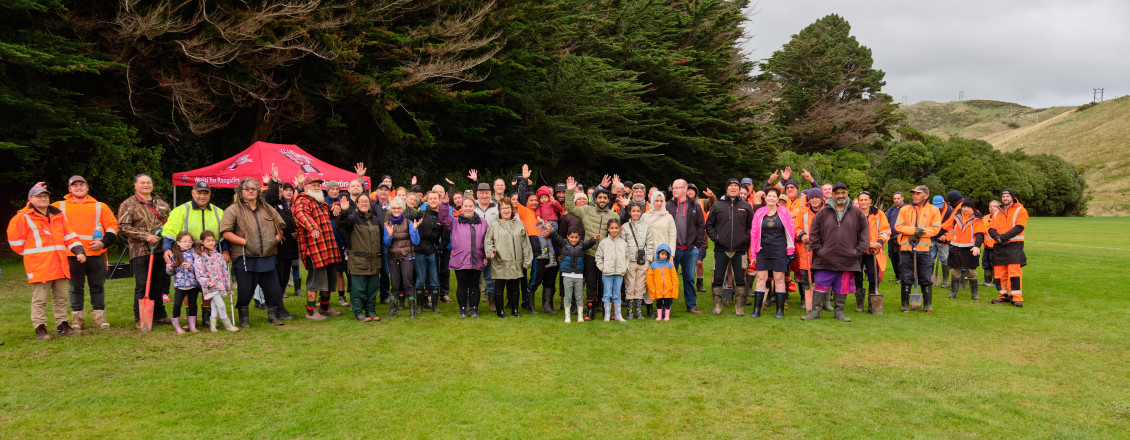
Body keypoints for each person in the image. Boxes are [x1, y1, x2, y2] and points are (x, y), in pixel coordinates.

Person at [8, 184, 86, 340]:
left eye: (45, 196)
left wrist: (79, 251)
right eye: (39, 196)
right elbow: (15, 243)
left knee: (62, 298)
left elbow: (69, 236)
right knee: (40, 300)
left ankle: (62, 326)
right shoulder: (22, 218)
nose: (43, 199)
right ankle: (40, 329)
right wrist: (34, 256)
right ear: (30, 199)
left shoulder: (58, 215)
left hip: (60, 264)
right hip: (39, 267)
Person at [220, 177, 288, 327]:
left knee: (273, 290)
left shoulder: (267, 208)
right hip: (245, 257)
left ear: (258, 191)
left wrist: (275, 239)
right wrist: (244, 242)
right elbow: (225, 232)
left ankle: (273, 316)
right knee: (245, 291)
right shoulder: (233, 209)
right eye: (247, 189)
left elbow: (280, 227)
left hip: (268, 257)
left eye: (253, 189)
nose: (251, 191)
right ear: (241, 191)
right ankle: (244, 320)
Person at [52, 175, 118, 330]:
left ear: (87, 188)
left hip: (97, 254)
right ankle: (77, 320)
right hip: (72, 255)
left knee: (98, 287)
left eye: (82, 184)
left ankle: (99, 319)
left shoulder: (100, 206)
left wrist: (103, 242)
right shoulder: (58, 206)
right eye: (75, 185)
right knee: (75, 287)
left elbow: (113, 226)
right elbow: (38, 210)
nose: (79, 187)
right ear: (69, 189)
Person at [802, 183, 869, 322]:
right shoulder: (823, 212)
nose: (840, 195)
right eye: (837, 193)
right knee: (820, 285)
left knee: (842, 287)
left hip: (848, 259)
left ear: (847, 193)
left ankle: (839, 312)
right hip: (824, 259)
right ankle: (815, 311)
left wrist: (857, 252)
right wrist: (819, 250)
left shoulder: (857, 213)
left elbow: (864, 235)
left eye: (843, 192)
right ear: (832, 195)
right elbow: (814, 233)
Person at [118, 173, 173, 331]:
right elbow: (123, 226)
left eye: (148, 182)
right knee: (142, 285)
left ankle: (159, 315)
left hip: (160, 250)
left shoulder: (162, 204)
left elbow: (170, 224)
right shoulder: (129, 204)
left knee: (159, 284)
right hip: (140, 250)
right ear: (135, 185)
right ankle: (140, 318)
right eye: (142, 183)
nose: (146, 185)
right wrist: (145, 236)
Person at [292, 173, 344, 320]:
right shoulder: (303, 200)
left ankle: (325, 308)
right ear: (306, 187)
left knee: (328, 278)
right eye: (313, 185)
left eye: (318, 185)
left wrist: (337, 207)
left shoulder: (320, 202)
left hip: (327, 249)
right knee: (315, 281)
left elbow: (331, 211)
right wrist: (312, 227)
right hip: (314, 249)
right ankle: (310, 311)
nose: (316, 187)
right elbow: (301, 214)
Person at [564, 176, 617, 321]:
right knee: (592, 283)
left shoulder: (613, 215)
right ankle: (591, 311)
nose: (602, 200)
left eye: (605, 198)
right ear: (595, 199)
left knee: (606, 284)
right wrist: (569, 192)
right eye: (599, 197)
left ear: (608, 200)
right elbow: (570, 207)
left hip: (607, 256)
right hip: (590, 254)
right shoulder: (587, 210)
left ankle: (606, 310)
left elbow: (617, 234)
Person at [705, 178, 754, 316]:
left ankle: (740, 307)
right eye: (730, 186)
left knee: (740, 278)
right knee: (718, 278)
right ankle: (717, 305)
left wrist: (746, 239)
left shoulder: (746, 206)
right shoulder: (718, 205)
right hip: (721, 249)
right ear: (726, 189)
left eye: (735, 186)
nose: (733, 188)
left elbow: (752, 226)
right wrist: (717, 239)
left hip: (740, 250)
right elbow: (709, 225)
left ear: (740, 190)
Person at [748, 187, 795, 319]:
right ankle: (757, 309)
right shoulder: (758, 213)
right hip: (762, 250)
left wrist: (790, 250)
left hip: (779, 250)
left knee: (779, 279)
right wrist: (753, 253)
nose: (771, 198)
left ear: (777, 198)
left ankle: (780, 310)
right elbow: (754, 234)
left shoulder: (784, 213)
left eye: (774, 196)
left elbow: (790, 232)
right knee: (761, 279)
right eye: (769, 196)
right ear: (765, 197)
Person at [439, 195, 490, 318]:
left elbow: (486, 240)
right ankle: (462, 309)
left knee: (474, 285)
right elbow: (443, 218)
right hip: (460, 258)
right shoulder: (455, 221)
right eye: (465, 206)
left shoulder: (482, 222)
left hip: (476, 258)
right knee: (462, 285)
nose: (468, 208)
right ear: (461, 207)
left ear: (474, 207)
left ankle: (474, 309)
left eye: (470, 206)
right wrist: (445, 205)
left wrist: (486, 256)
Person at [894, 185, 942, 313]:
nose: (914, 195)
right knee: (906, 277)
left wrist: (921, 233)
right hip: (906, 248)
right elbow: (898, 227)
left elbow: (936, 229)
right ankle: (905, 304)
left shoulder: (934, 210)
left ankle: (927, 305)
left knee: (925, 278)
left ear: (926, 196)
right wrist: (915, 231)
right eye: (913, 193)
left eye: (918, 193)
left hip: (924, 250)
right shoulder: (905, 209)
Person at [337, 195, 384, 321]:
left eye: (366, 201)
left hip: (374, 261)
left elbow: (380, 237)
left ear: (370, 204)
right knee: (358, 289)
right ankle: (358, 313)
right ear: (356, 204)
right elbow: (341, 225)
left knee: (372, 289)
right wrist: (344, 211)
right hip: (358, 261)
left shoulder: (375, 220)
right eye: (361, 201)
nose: (364, 203)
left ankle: (371, 311)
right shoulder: (352, 218)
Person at [484, 198, 533, 318]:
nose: (506, 210)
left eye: (508, 207)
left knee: (515, 286)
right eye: (503, 208)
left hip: (516, 261)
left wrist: (527, 260)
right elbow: (488, 241)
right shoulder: (495, 225)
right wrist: (490, 251)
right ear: (499, 210)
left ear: (512, 209)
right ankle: (500, 311)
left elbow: (526, 243)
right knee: (499, 286)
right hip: (500, 260)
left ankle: (515, 310)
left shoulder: (519, 224)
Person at [264, 165, 303, 303]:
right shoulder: (270, 202)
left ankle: (280, 307)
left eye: (282, 187)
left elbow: (292, 220)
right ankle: (276, 308)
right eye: (278, 187)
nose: (280, 189)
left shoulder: (284, 204)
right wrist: (273, 180)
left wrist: (297, 231)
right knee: (277, 280)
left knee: (284, 279)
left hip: (288, 249)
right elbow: (270, 197)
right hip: (278, 250)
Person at [666, 179, 706, 314]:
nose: (675, 190)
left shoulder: (695, 206)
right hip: (672, 249)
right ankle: (667, 306)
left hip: (690, 249)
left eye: (678, 187)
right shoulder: (668, 206)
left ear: (685, 189)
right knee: (671, 278)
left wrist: (697, 244)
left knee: (689, 278)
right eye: (673, 187)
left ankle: (691, 305)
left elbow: (701, 226)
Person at [191, 231, 240, 332]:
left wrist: (228, 287)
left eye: (212, 240)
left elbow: (224, 272)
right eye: (208, 241)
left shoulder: (217, 255)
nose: (211, 243)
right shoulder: (200, 256)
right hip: (210, 286)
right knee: (221, 305)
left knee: (214, 306)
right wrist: (207, 282)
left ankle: (212, 326)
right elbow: (199, 272)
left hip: (219, 285)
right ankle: (228, 325)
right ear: (202, 242)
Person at [545, 227, 596, 323]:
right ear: (568, 237)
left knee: (579, 296)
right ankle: (567, 316)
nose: (574, 239)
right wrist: (551, 230)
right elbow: (556, 237)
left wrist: (594, 240)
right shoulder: (564, 243)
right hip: (567, 275)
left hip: (578, 275)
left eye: (576, 237)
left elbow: (588, 244)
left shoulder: (581, 245)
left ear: (579, 237)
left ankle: (580, 316)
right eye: (571, 237)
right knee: (567, 296)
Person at [987, 189, 1029, 307]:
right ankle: (1003, 295)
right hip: (1000, 244)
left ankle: (1016, 298)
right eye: (1003, 196)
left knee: (1014, 271)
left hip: (1014, 244)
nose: (1005, 198)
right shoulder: (996, 213)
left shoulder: (1021, 210)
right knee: (1000, 273)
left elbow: (1019, 227)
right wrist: (998, 238)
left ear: (1012, 197)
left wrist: (1003, 237)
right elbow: (990, 228)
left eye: (1007, 196)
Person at [383, 198, 421, 318]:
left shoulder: (409, 223)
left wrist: (414, 230)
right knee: (394, 285)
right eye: (394, 208)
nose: (396, 210)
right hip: (393, 258)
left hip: (407, 257)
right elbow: (386, 244)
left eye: (399, 208)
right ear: (390, 210)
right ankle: (393, 310)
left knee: (408, 284)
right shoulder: (387, 224)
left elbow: (416, 241)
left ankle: (411, 311)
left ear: (403, 209)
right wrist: (389, 235)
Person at [855, 191, 890, 313]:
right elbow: (852, 235)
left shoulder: (879, 214)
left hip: (873, 252)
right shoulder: (853, 214)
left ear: (870, 201)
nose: (863, 202)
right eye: (861, 200)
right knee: (857, 277)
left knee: (873, 277)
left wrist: (879, 243)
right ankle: (860, 305)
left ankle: (872, 303)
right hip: (858, 251)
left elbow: (885, 231)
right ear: (858, 201)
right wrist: (869, 243)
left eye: (866, 200)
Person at [943, 198, 985, 300]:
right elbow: (946, 227)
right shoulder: (956, 217)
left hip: (969, 248)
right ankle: (954, 293)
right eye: (964, 207)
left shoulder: (977, 219)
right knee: (954, 272)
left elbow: (980, 233)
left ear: (972, 208)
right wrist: (936, 233)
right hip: (955, 248)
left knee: (971, 272)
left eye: (968, 207)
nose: (966, 209)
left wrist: (977, 246)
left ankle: (974, 295)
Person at [621, 202, 655, 320]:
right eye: (633, 211)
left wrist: (648, 259)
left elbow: (650, 243)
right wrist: (625, 259)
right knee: (630, 284)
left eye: (638, 211)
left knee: (640, 285)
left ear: (641, 212)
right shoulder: (625, 227)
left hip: (643, 261)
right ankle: (630, 311)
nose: (636, 213)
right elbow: (622, 244)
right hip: (630, 261)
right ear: (629, 212)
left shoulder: (646, 226)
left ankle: (639, 311)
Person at [413, 191, 445, 313]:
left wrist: (439, 248)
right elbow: (407, 214)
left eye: (435, 198)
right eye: (430, 198)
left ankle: (435, 306)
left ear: (439, 200)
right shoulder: (420, 213)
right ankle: (420, 306)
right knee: (420, 280)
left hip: (433, 251)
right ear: (427, 200)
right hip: (420, 250)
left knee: (435, 280)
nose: (432, 200)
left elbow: (446, 237)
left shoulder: (442, 216)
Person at [793, 189, 825, 312]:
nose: (814, 200)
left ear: (821, 198)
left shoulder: (827, 211)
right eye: (812, 198)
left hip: (823, 249)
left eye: (817, 197)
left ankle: (822, 302)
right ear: (809, 200)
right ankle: (807, 301)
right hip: (805, 248)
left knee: (822, 276)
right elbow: (796, 227)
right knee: (805, 276)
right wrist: (802, 235)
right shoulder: (803, 212)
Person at [165, 232, 201, 333]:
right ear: (178, 242)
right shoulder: (174, 254)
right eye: (184, 241)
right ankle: (177, 326)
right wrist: (169, 268)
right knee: (177, 305)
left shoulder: (195, 253)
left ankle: (192, 326)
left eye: (190, 241)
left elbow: (199, 268)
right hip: (180, 285)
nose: (187, 243)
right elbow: (170, 273)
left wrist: (191, 266)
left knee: (192, 305)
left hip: (193, 284)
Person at [595, 219, 630, 322]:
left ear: (619, 229)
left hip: (619, 273)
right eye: (612, 228)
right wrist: (602, 268)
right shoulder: (604, 242)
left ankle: (618, 315)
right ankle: (607, 315)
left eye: (616, 228)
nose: (614, 230)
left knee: (617, 294)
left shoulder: (623, 243)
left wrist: (625, 267)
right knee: (607, 294)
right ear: (608, 229)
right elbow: (598, 256)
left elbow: (627, 256)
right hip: (607, 273)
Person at [647, 245, 679, 321]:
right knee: (659, 304)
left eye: (666, 254)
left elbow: (674, 278)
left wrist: (674, 290)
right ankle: (659, 316)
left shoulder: (670, 265)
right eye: (662, 254)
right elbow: (649, 279)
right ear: (658, 253)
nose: (664, 256)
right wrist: (653, 289)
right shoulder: (653, 265)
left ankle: (667, 316)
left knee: (667, 304)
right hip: (658, 289)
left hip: (668, 289)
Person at [885, 191, 906, 283]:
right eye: (895, 198)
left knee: (900, 256)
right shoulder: (891, 210)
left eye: (898, 198)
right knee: (892, 256)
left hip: (901, 236)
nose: (896, 200)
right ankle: (897, 275)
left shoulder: (906, 209)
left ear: (902, 198)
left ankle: (903, 277)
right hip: (891, 236)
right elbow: (885, 221)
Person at [980, 200, 1001, 287]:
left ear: (999, 207)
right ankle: (987, 280)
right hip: (986, 245)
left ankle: (995, 282)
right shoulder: (985, 217)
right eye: (990, 206)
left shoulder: (1001, 218)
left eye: (994, 206)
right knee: (986, 263)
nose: (992, 208)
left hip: (996, 245)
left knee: (995, 264)